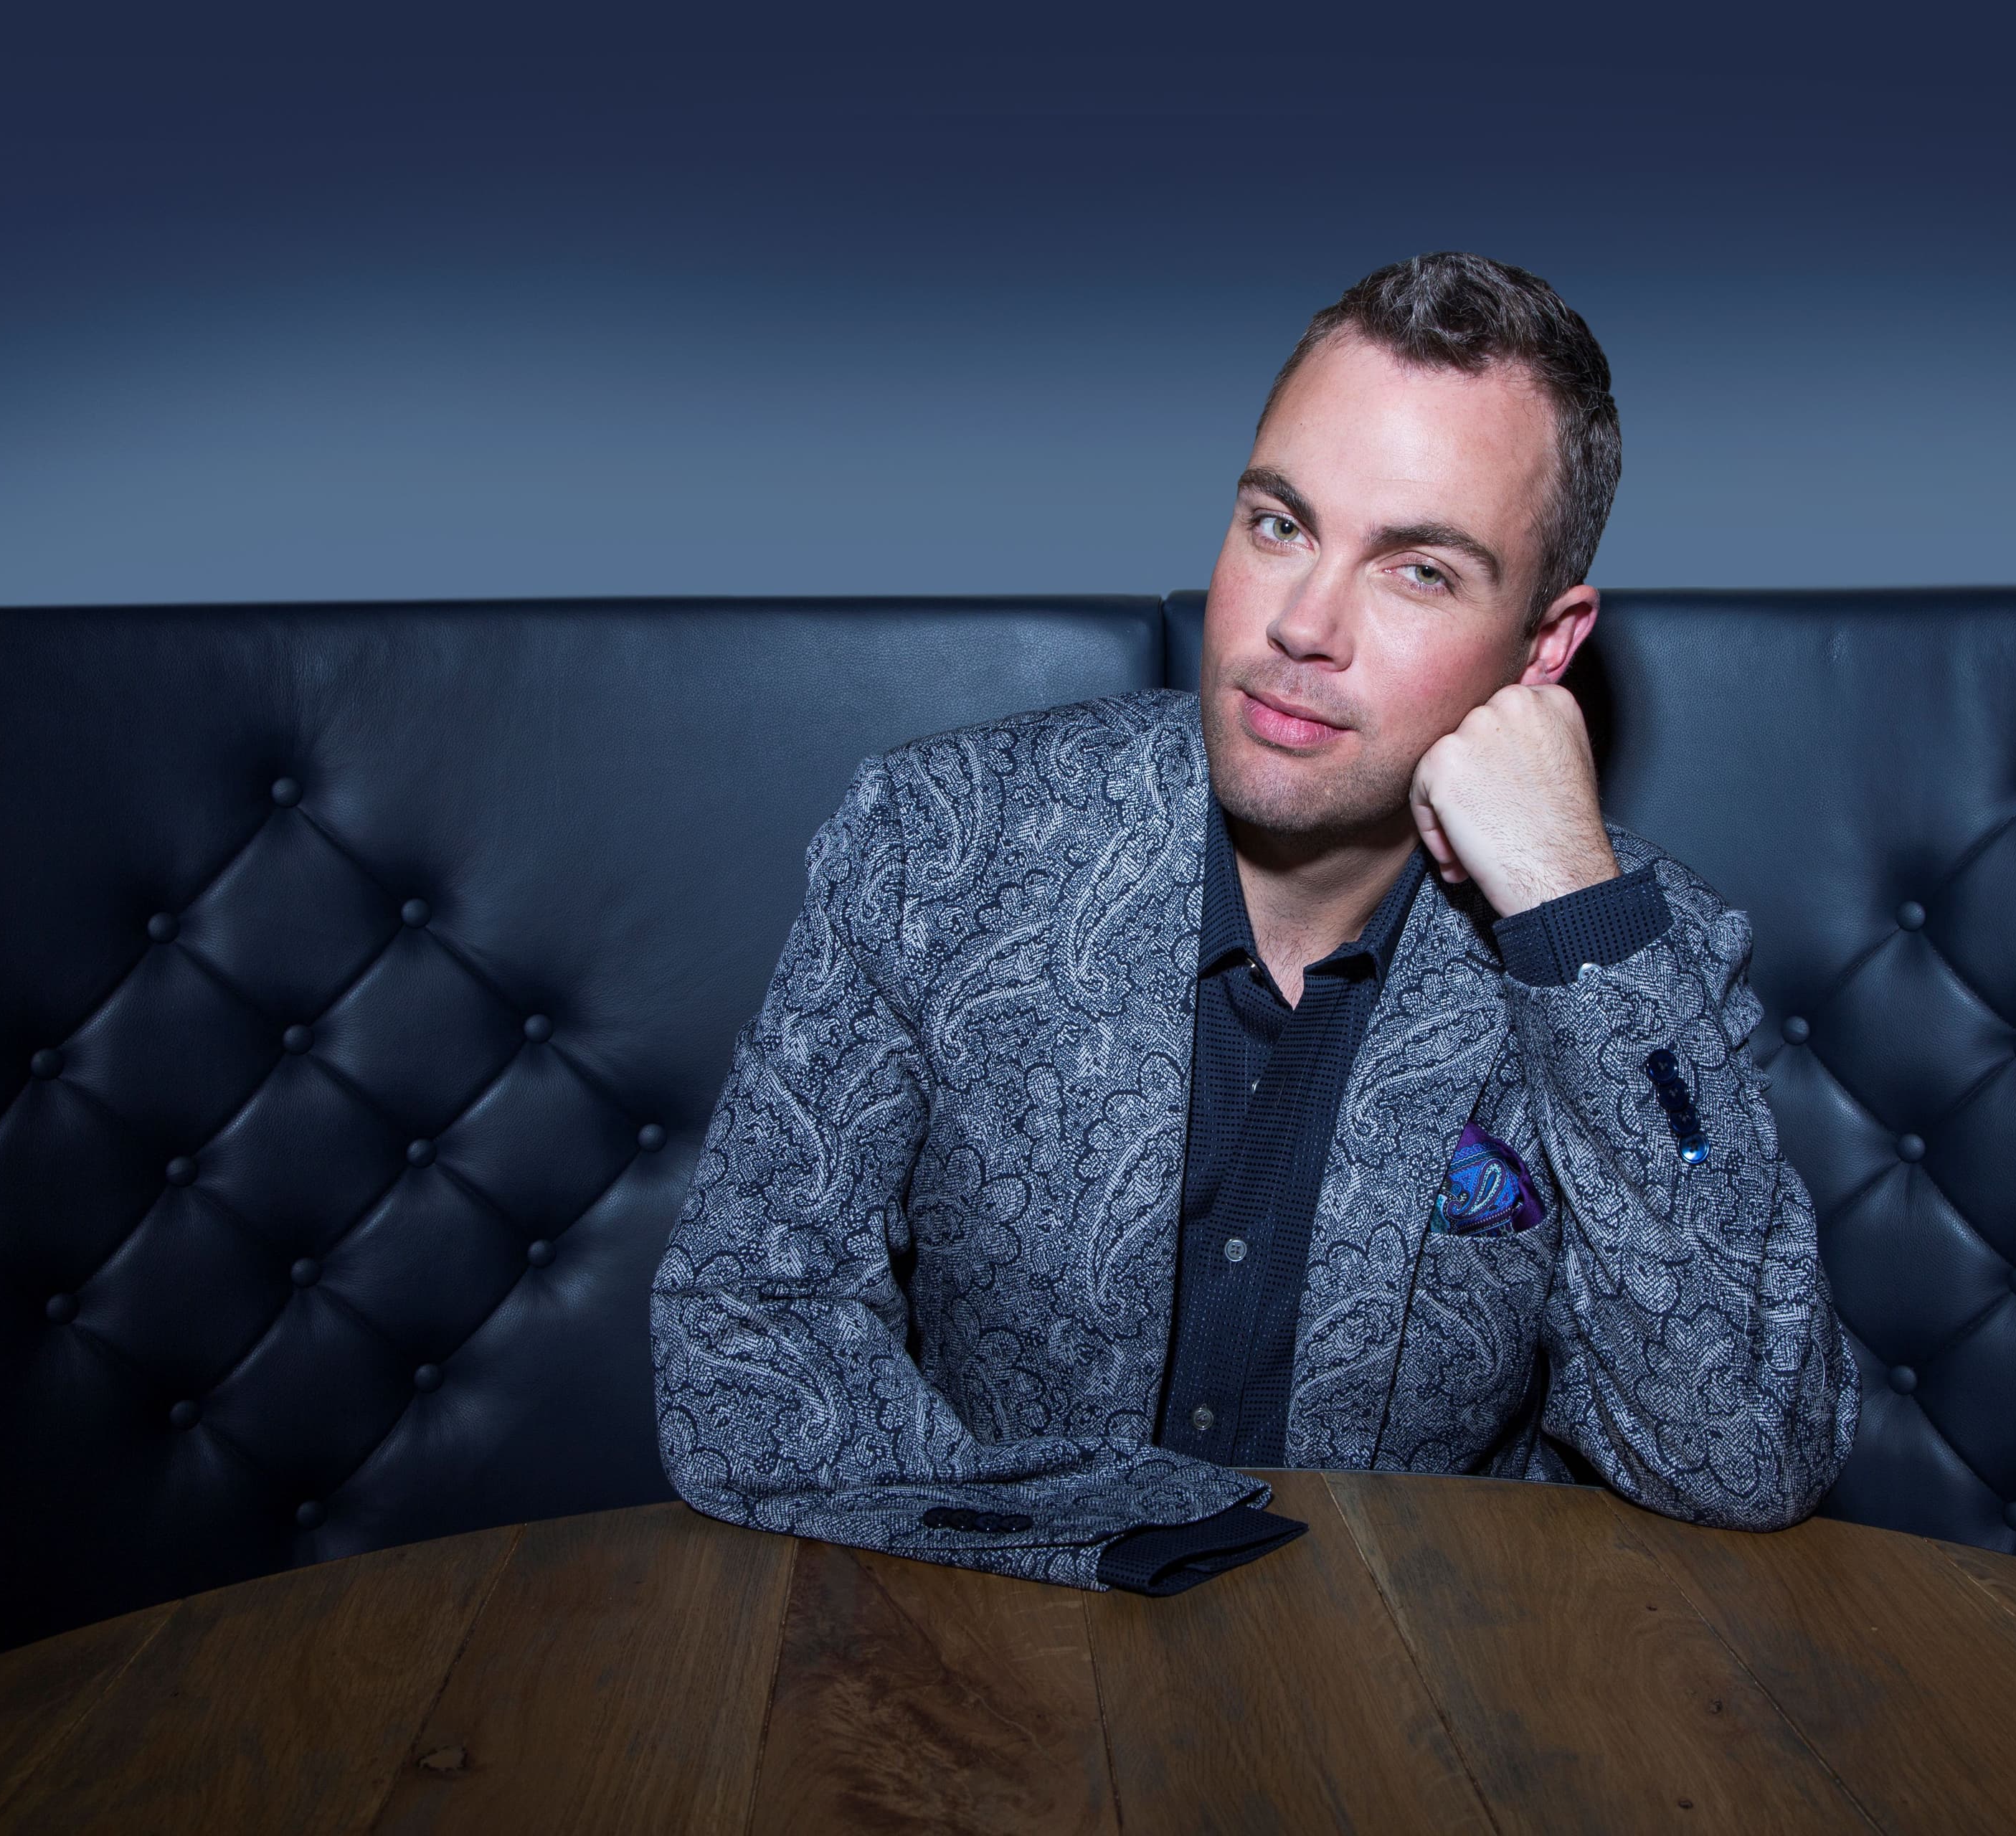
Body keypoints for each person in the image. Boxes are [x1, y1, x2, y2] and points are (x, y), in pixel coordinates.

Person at [651, 252, 1858, 1596]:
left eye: (1420, 573)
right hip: (982, 1675)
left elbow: (1746, 1453)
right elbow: (742, 1333)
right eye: (1281, 524)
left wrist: (1574, 918)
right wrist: (1124, 1554)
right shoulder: (940, 842)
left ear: (1542, 652)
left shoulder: (1647, 954)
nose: (1300, 625)